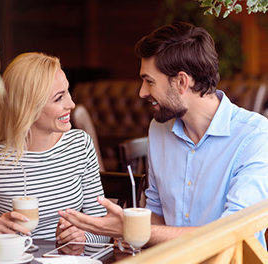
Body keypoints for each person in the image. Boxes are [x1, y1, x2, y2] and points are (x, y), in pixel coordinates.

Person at [59, 22, 268, 248]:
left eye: (149, 81)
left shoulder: (255, 136)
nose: (142, 92)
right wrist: (125, 227)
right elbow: (156, 213)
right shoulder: (159, 129)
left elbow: (231, 233)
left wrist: (132, 229)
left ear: (181, 82)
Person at [0, 52, 110, 250]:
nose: (71, 104)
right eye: (59, 98)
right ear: (29, 108)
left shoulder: (80, 145)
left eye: (68, 92)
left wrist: (82, 237)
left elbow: (103, 231)